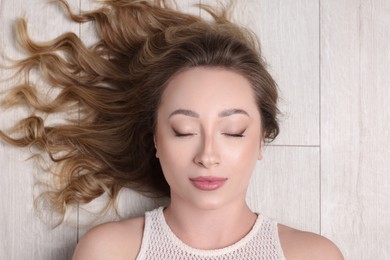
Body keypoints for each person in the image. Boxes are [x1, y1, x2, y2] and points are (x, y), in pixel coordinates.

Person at [0, 0, 344, 259]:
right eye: (183, 130)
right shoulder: (109, 252)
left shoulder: (313, 255)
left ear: (261, 141)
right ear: (156, 140)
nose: (208, 156)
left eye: (234, 131)